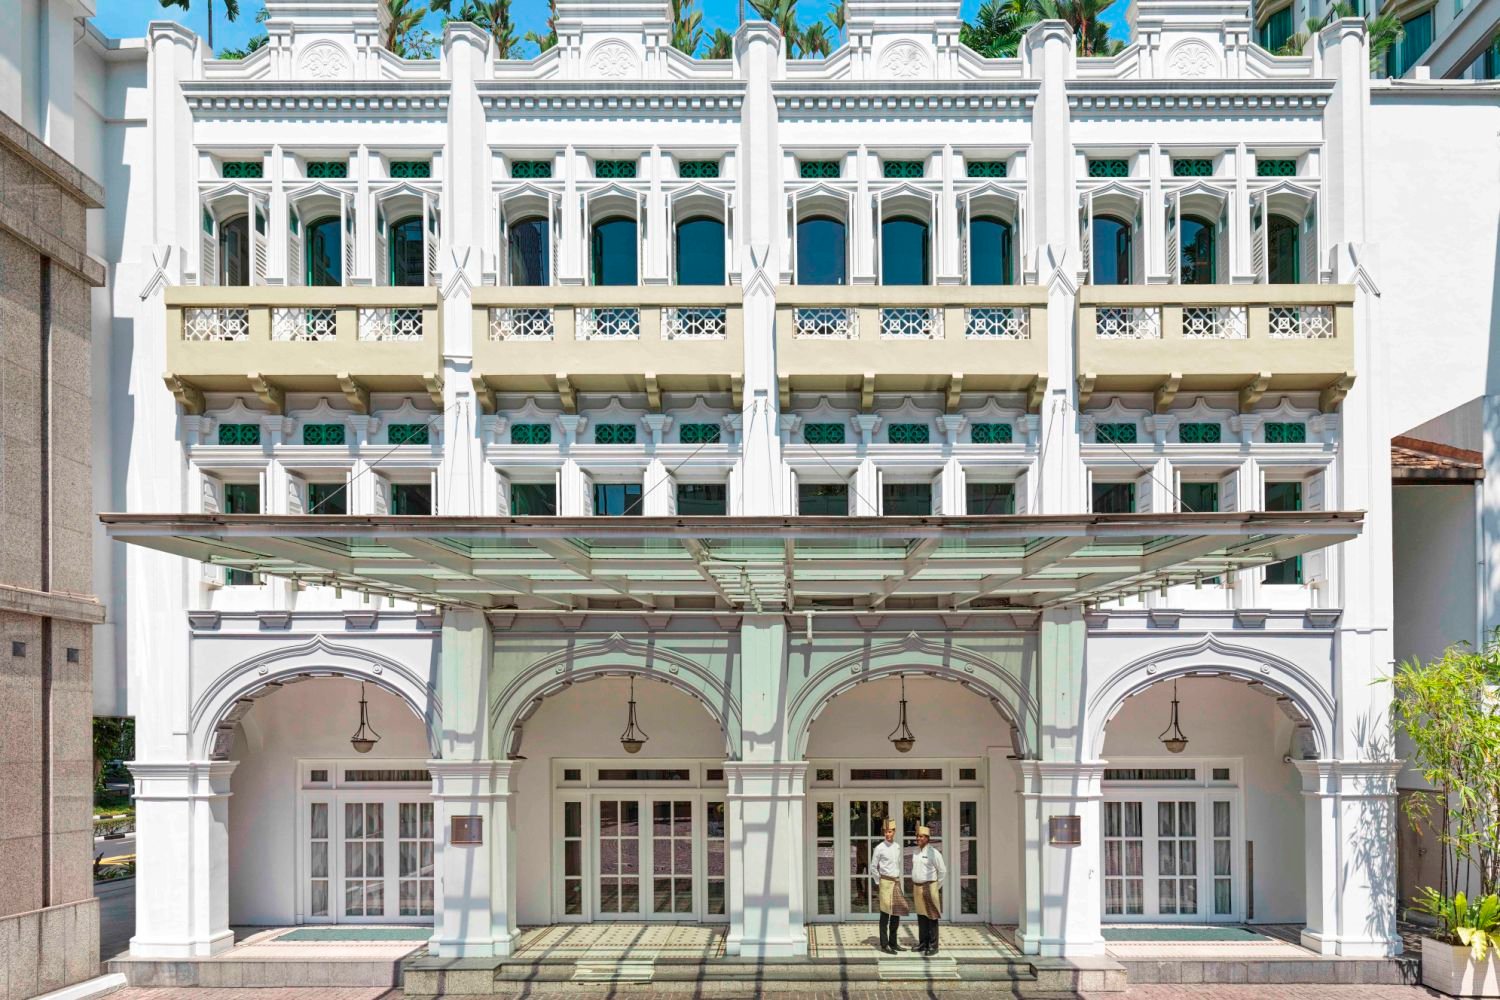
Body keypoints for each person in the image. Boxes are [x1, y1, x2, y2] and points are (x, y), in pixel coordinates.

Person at [869, 818, 907, 953]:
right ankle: (884, 944)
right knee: (885, 914)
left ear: (894, 832)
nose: (887, 834)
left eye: (889, 831)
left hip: (896, 882)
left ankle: (894, 942)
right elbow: (873, 867)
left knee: (896, 914)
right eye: (885, 832)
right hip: (885, 882)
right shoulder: (879, 848)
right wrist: (879, 882)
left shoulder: (897, 847)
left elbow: (898, 864)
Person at [910, 825, 946, 956]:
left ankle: (933, 945)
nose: (918, 838)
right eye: (917, 836)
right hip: (917, 887)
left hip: (929, 887)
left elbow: (942, 871)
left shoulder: (934, 853)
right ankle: (923, 943)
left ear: (927, 838)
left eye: (921, 836)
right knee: (921, 916)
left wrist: (935, 887)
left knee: (932, 916)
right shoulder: (915, 852)